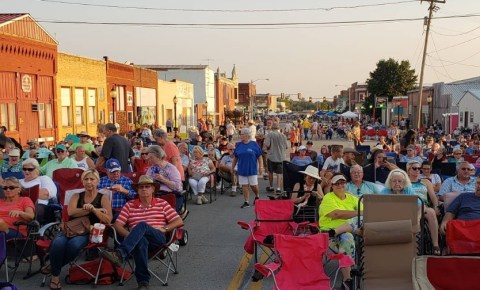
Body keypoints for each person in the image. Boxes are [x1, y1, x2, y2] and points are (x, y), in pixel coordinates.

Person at [100, 175, 183, 290]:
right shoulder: (129, 205)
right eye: (141, 187)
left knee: (142, 225)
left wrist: (165, 229)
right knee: (141, 242)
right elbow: (117, 225)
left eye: (147, 186)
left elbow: (178, 220)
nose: (144, 189)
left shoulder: (161, 203)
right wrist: (131, 236)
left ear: (153, 189)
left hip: (157, 238)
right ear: (137, 190)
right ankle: (143, 283)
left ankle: (120, 254)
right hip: (136, 240)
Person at [46, 169, 112, 290]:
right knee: (58, 243)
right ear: (82, 181)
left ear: (97, 181)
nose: (89, 182)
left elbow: (108, 219)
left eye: (92, 179)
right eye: (86, 179)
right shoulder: (76, 196)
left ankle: (54, 267)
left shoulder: (103, 198)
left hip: (87, 231)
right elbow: (71, 212)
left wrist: (94, 209)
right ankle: (55, 277)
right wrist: (89, 209)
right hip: (70, 227)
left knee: (74, 245)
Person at [319, 174, 361, 289]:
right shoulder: (328, 197)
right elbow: (336, 214)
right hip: (329, 236)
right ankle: (348, 278)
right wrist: (357, 213)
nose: (340, 185)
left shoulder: (352, 198)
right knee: (348, 236)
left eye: (342, 182)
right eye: (337, 183)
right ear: (332, 186)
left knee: (359, 223)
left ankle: (351, 278)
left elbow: (365, 211)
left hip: (343, 232)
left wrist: (359, 215)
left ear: (346, 184)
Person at [406, 161, 441, 255]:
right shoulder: (404, 182)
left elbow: (433, 197)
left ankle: (435, 244)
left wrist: (436, 206)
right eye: (414, 168)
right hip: (409, 206)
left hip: (424, 205)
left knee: (431, 212)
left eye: (418, 168)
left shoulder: (425, 182)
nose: (417, 170)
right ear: (408, 170)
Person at [146, 145, 186, 217]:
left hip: (170, 196)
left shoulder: (171, 168)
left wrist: (163, 180)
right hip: (154, 196)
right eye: (149, 158)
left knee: (164, 215)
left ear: (158, 156)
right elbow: (146, 181)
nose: (149, 160)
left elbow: (178, 187)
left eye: (151, 158)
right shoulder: (151, 168)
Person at [232, 128, 264, 208]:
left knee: (253, 185)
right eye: (241, 134)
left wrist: (261, 167)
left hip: (252, 168)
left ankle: (257, 195)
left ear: (247, 135)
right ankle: (246, 201)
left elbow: (260, 156)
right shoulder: (238, 145)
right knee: (244, 185)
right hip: (242, 169)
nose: (240, 136)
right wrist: (232, 167)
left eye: (242, 134)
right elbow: (235, 157)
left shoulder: (254, 144)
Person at [264, 122, 288, 193]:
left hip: (271, 157)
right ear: (279, 128)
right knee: (279, 173)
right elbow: (286, 146)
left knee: (270, 172)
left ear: (272, 128)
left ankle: (271, 187)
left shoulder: (269, 135)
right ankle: (278, 188)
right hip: (281, 157)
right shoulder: (283, 135)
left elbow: (267, 145)